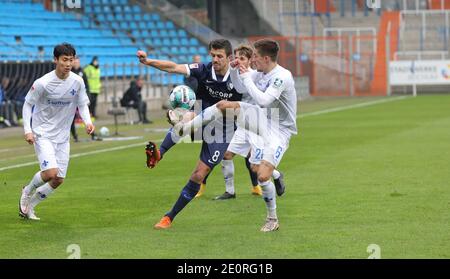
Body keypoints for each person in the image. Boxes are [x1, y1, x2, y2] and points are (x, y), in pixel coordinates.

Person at [172, 38, 297, 232]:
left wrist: (246, 76)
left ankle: (272, 218)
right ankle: (184, 128)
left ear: (266, 58)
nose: (252, 59)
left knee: (262, 175)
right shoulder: (259, 73)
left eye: (255, 56)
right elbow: (239, 88)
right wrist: (235, 70)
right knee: (223, 106)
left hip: (280, 128)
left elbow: (263, 100)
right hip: (261, 118)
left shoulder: (282, 76)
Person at [137, 39, 243, 229]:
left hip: (222, 131)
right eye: (213, 55)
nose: (216, 59)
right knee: (186, 117)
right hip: (199, 117)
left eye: (220, 56)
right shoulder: (203, 69)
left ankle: (169, 217)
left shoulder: (238, 78)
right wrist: (148, 61)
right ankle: (159, 154)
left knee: (198, 174)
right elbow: (174, 67)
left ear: (229, 57)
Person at [19, 43, 95, 220]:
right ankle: (27, 190)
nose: (68, 64)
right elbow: (27, 104)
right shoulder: (43, 83)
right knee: (50, 173)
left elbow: (82, 104)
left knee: (58, 179)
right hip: (42, 133)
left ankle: (30, 206)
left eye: (71, 60)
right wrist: (27, 130)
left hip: (63, 137)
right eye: (64, 60)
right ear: (55, 60)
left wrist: (88, 122)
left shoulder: (77, 81)